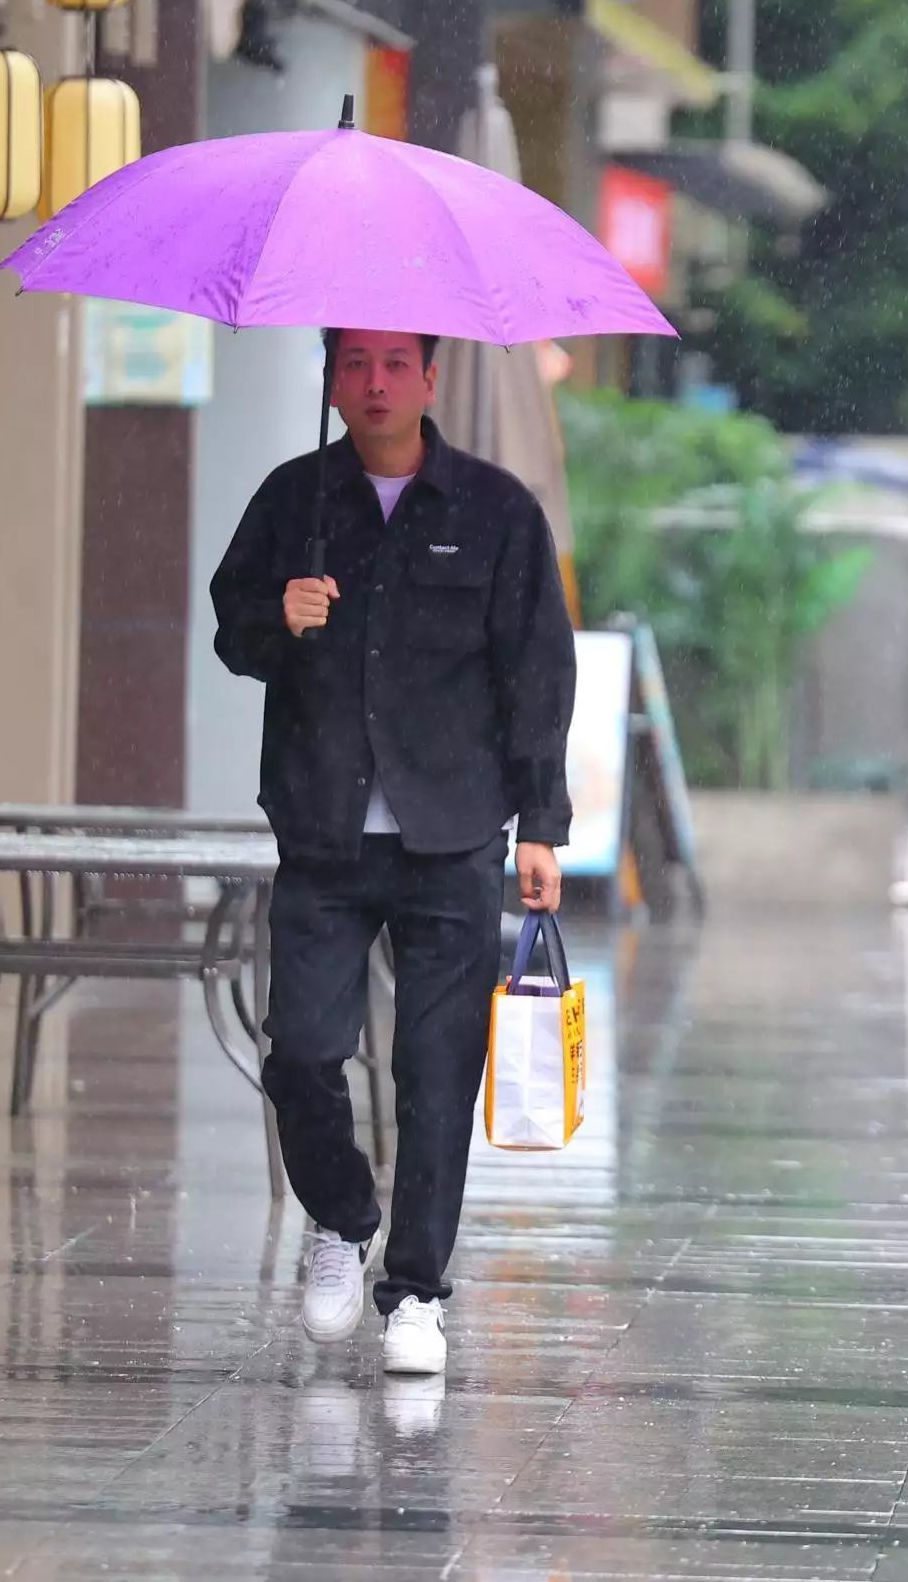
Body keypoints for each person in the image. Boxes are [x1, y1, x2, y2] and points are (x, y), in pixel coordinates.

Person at [210, 328, 577, 1376]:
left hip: (453, 834)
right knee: (303, 1053)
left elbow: (537, 674)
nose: (373, 385)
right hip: (322, 829)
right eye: (352, 365)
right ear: (330, 380)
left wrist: (542, 822)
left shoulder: (497, 512)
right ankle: (340, 1219)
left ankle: (416, 1289)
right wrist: (279, 616)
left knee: (435, 1066)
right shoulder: (294, 501)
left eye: (392, 365)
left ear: (429, 377)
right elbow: (233, 631)